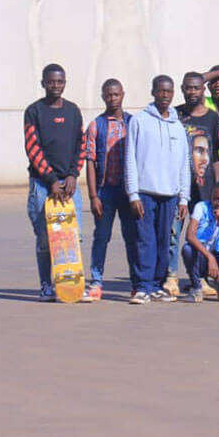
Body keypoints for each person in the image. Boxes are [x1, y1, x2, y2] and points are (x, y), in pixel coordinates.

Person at [24, 64, 88, 301]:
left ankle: (70, 284)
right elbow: (33, 148)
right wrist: (51, 180)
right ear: (43, 83)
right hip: (43, 185)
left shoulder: (73, 111)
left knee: (73, 237)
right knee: (45, 238)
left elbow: (81, 145)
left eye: (60, 82)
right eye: (51, 82)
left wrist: (72, 175)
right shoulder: (34, 111)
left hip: (70, 184)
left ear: (65, 83)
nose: (56, 86)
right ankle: (45, 285)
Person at [125, 75, 190, 304]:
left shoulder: (178, 126)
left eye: (169, 91)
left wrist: (184, 198)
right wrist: (133, 194)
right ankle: (142, 286)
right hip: (145, 192)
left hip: (170, 195)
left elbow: (184, 164)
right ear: (153, 92)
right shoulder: (139, 121)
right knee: (145, 240)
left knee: (165, 241)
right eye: (161, 91)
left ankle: (157, 284)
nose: (165, 95)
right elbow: (130, 159)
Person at [166, 71, 219, 298]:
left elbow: (217, 154)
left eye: (196, 88)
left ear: (203, 91)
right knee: (174, 232)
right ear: (182, 89)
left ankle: (198, 277)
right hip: (178, 185)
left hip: (204, 186)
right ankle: (171, 276)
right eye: (188, 88)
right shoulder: (174, 114)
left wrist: (217, 185)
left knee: (201, 235)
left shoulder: (212, 118)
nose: (192, 92)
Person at [83, 79, 135, 301]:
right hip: (106, 191)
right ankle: (96, 281)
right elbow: (90, 162)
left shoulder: (133, 123)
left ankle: (137, 281)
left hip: (129, 191)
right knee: (101, 237)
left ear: (123, 94)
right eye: (108, 95)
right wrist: (94, 196)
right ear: (103, 96)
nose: (112, 98)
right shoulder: (96, 125)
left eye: (116, 94)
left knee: (132, 237)